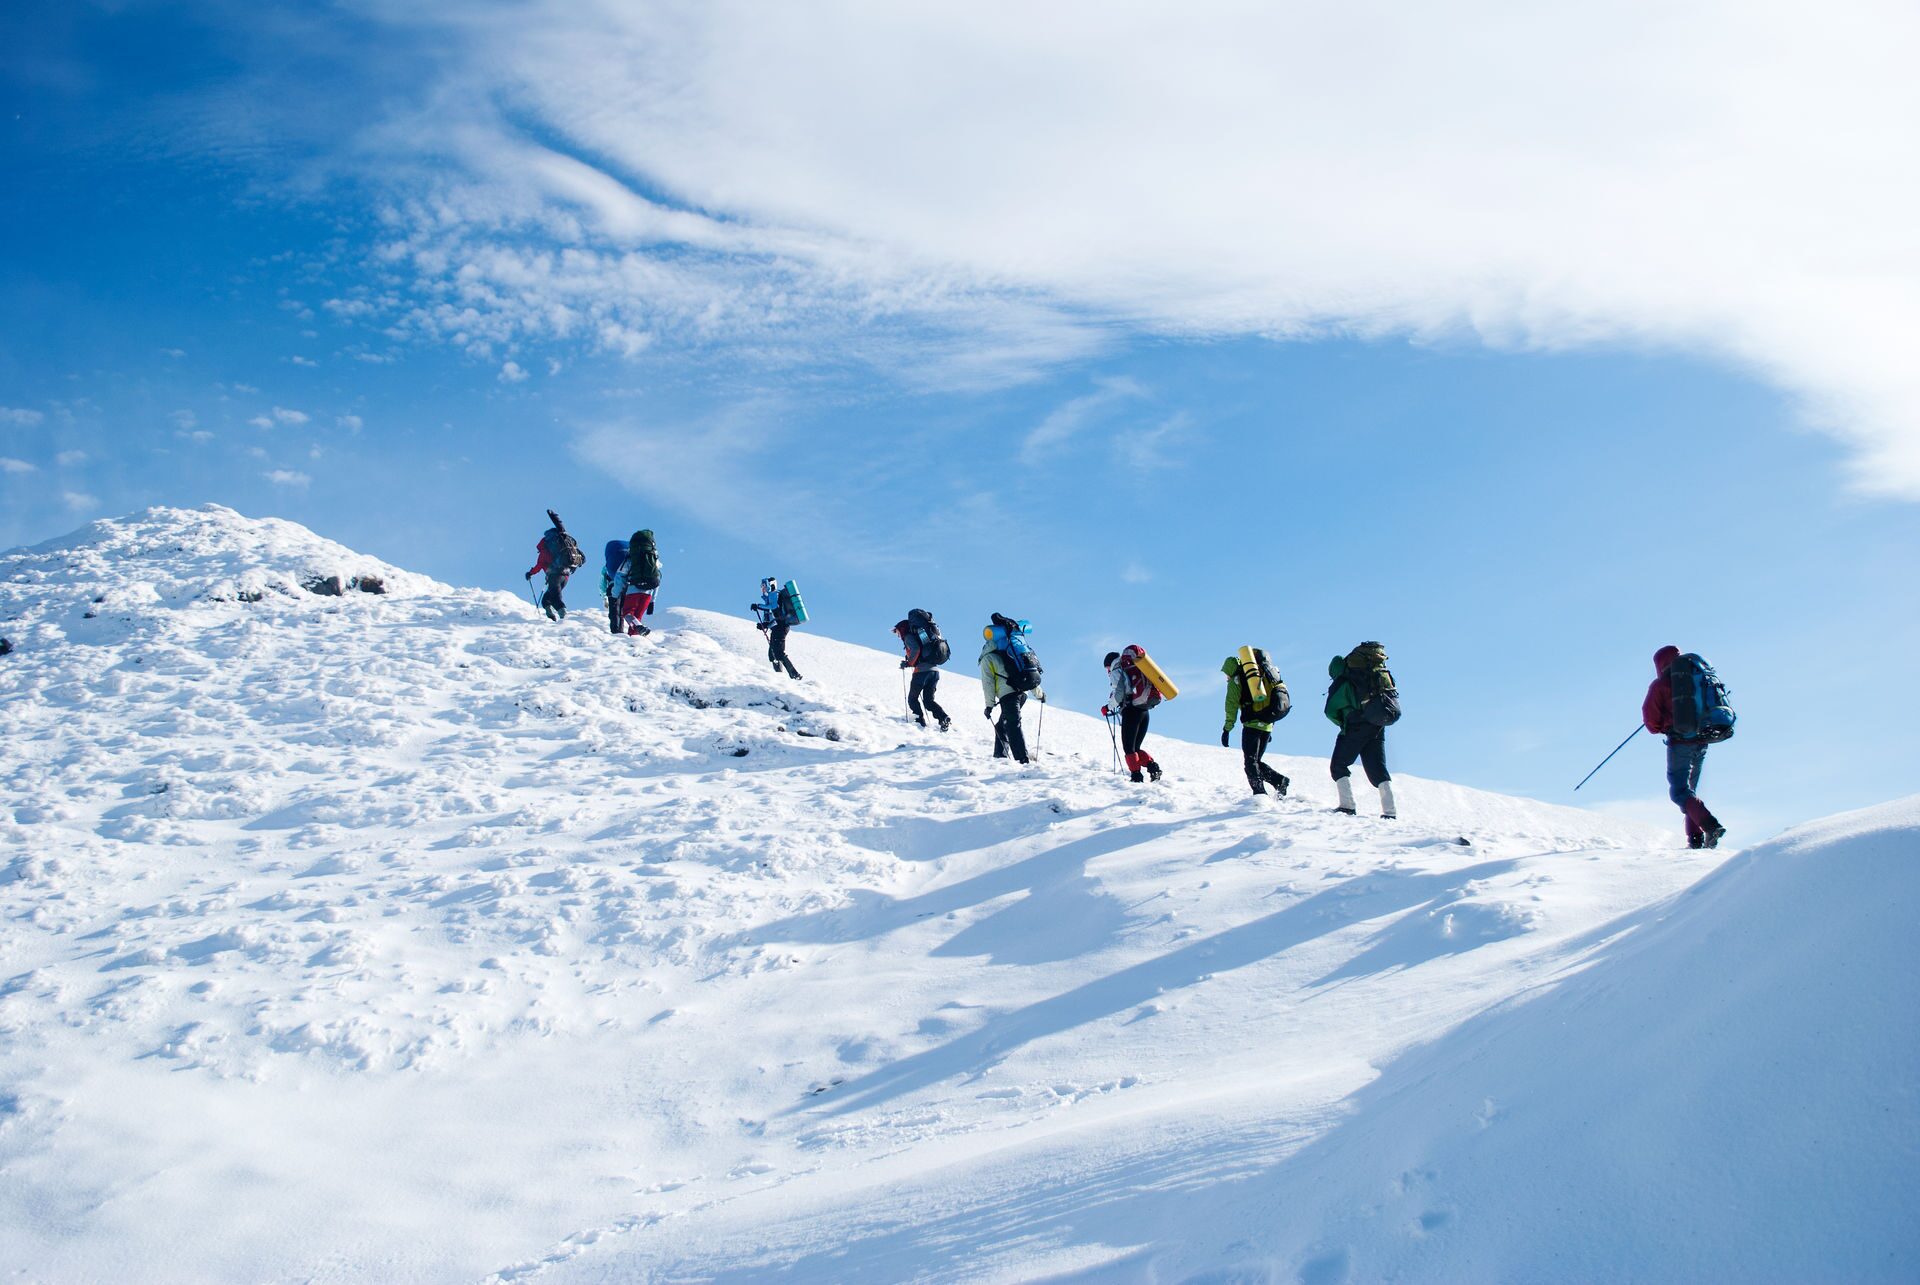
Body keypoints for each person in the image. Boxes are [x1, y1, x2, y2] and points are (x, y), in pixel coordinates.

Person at [1642, 644, 1728, 849]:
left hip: (1680, 741)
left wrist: (1663, 725)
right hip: (1704, 737)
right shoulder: (1698, 673)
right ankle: (1696, 839)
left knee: (1679, 791)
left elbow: (1651, 721)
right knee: (1690, 790)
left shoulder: (1661, 684)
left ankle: (1709, 826)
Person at [1324, 641, 1398, 819]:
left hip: (1355, 726)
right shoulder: (1372, 675)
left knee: (1339, 765)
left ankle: (1347, 806)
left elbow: (1331, 710)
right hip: (1377, 724)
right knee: (1378, 768)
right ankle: (1390, 812)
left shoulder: (1344, 681)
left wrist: (1343, 723)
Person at [1221, 654, 1290, 797]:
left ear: (1230, 669)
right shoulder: (1258, 675)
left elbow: (1231, 705)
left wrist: (1227, 729)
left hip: (1252, 724)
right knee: (1255, 761)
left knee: (1250, 762)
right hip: (1267, 724)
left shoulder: (1236, 680)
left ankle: (1260, 794)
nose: (1226, 677)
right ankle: (1279, 781)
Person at [978, 626, 1040, 763]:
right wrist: (1039, 694)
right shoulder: (1012, 653)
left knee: (1012, 725)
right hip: (1021, 693)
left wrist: (989, 706)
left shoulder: (988, 659)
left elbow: (988, 684)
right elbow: (1027, 671)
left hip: (1008, 696)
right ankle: (1000, 757)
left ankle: (1022, 760)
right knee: (1002, 725)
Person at [1102, 648, 1163, 782]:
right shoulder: (1132, 665)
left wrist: (1108, 707)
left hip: (1131, 711)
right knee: (1136, 748)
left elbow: (1118, 693)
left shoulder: (1116, 669)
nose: (1107, 671)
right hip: (1144, 710)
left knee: (1129, 748)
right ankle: (1154, 769)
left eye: (1107, 668)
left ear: (1109, 664)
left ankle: (1136, 777)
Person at [893, 610, 951, 731]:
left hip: (922, 672)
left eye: (897, 632)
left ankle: (919, 723)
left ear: (902, 629)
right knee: (929, 701)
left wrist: (908, 663)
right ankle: (943, 718)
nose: (897, 635)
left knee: (912, 699)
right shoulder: (923, 634)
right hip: (934, 672)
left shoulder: (909, 636)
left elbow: (916, 649)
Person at [524, 512, 582, 621]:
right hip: (565, 577)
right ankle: (552, 620)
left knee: (555, 599)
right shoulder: (560, 547)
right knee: (546, 600)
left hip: (555, 577)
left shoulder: (544, 551)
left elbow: (539, 565)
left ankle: (565, 620)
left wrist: (530, 573)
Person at [608, 528, 662, 637]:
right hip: (648, 593)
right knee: (637, 617)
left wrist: (615, 595)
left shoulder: (630, 559)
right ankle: (633, 639)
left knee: (627, 613)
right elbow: (657, 579)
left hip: (633, 590)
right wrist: (652, 601)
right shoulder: (654, 561)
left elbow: (620, 577)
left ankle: (638, 629)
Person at [751, 577, 802, 680]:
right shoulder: (769, 597)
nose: (763, 588)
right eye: (762, 586)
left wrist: (758, 606)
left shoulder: (774, 594)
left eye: (764, 586)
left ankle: (795, 674)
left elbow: (773, 607)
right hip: (777, 627)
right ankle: (779, 676)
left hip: (781, 627)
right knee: (772, 654)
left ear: (770, 585)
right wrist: (764, 625)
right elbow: (773, 616)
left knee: (778, 653)